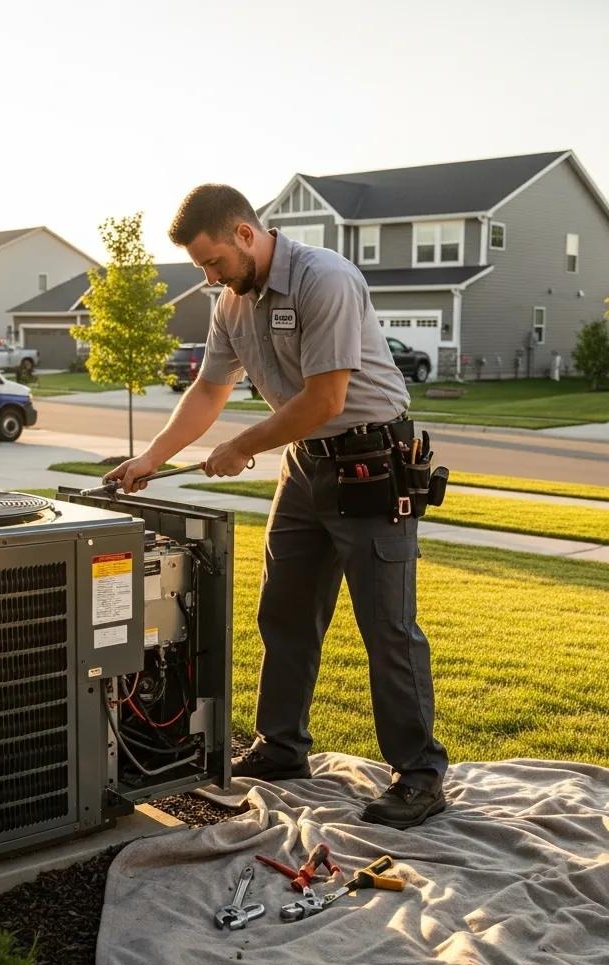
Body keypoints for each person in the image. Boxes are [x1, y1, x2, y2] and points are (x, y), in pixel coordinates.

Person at [105, 184, 449, 828]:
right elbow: (210, 388)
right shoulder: (232, 303)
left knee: (387, 627)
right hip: (306, 466)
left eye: (214, 262)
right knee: (284, 610)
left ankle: (420, 772)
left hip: (371, 464)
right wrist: (152, 456)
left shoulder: (326, 280)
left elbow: (325, 399)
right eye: (201, 268)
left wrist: (241, 446)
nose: (209, 278)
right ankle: (283, 747)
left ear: (244, 234)